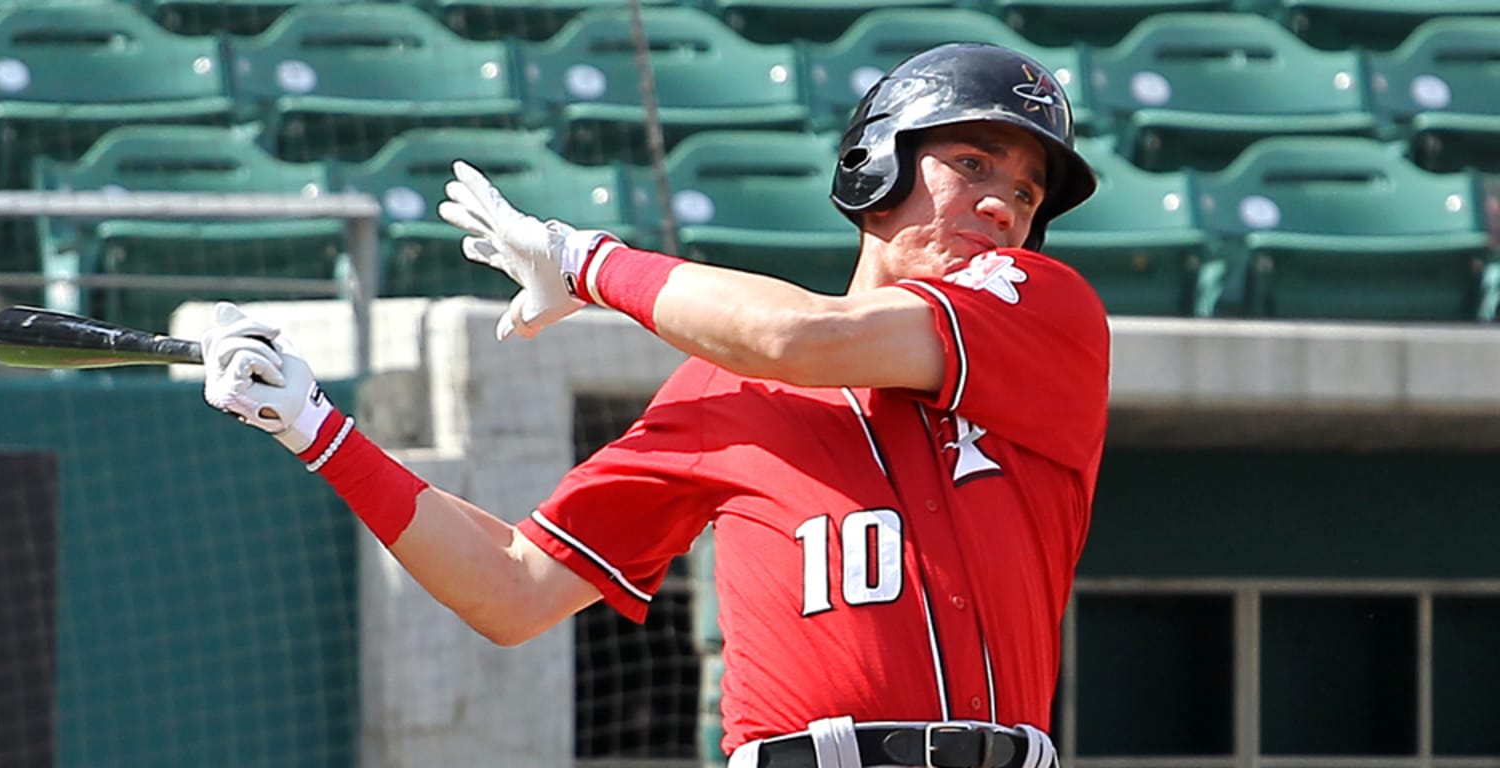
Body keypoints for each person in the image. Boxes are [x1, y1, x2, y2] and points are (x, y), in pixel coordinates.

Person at [201, 42, 1109, 768]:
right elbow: (512, 589)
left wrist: (587, 263)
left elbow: (797, 339)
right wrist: (319, 430)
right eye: (972, 162)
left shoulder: (1045, 311)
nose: (1002, 204)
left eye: (1026, 192)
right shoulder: (723, 393)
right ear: (879, 166)